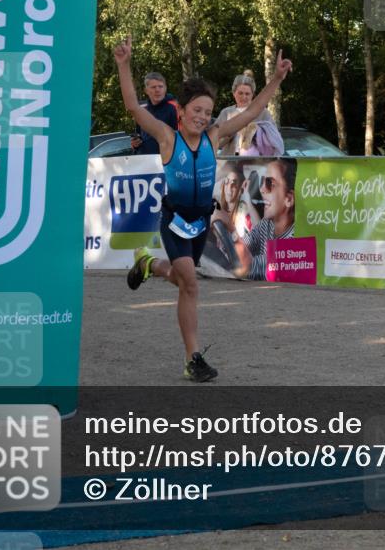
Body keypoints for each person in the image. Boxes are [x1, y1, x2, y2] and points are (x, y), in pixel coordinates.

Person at [113, 36, 292, 381]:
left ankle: (148, 264)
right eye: (196, 110)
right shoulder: (168, 137)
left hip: (199, 222)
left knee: (183, 281)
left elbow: (254, 111)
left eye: (208, 112)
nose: (203, 117)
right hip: (173, 218)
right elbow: (134, 107)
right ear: (181, 111)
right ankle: (192, 358)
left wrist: (276, 80)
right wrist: (123, 65)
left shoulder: (214, 137)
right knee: (192, 285)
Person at [232, 158, 297, 281]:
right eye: (262, 182)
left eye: (270, 183)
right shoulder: (267, 224)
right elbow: (245, 245)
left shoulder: (294, 240)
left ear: (289, 199)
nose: (262, 189)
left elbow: (247, 267)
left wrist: (229, 228)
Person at [215, 70, 285, 156]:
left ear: (252, 95)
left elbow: (275, 139)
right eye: (240, 93)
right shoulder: (226, 112)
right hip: (229, 161)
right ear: (234, 93)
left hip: (255, 162)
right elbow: (214, 141)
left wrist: (255, 134)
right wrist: (229, 135)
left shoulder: (263, 112)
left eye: (247, 94)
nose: (244, 97)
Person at [131, 72, 180, 155]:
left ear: (165, 88)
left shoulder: (175, 108)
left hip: (168, 160)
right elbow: (139, 135)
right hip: (146, 160)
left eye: (160, 86)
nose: (157, 90)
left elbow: (181, 137)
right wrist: (135, 144)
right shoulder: (141, 110)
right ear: (146, 90)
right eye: (153, 87)